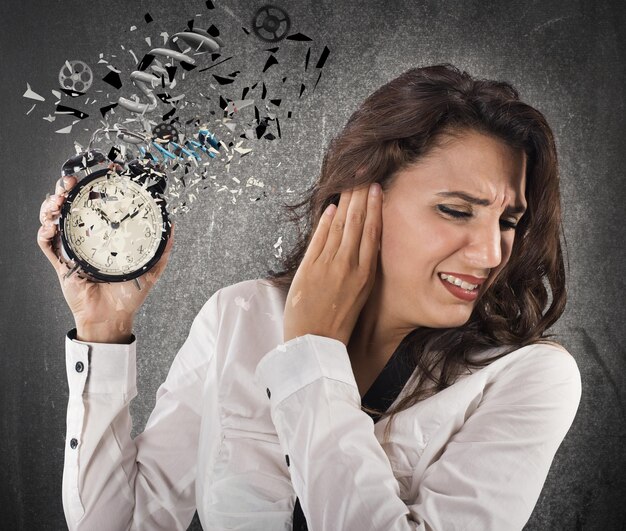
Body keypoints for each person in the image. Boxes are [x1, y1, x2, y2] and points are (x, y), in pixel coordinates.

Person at [37, 63, 582, 531]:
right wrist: (102, 331)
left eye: (509, 221)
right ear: (360, 195)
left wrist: (313, 349)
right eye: (456, 210)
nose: (491, 253)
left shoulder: (528, 379)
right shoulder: (240, 316)